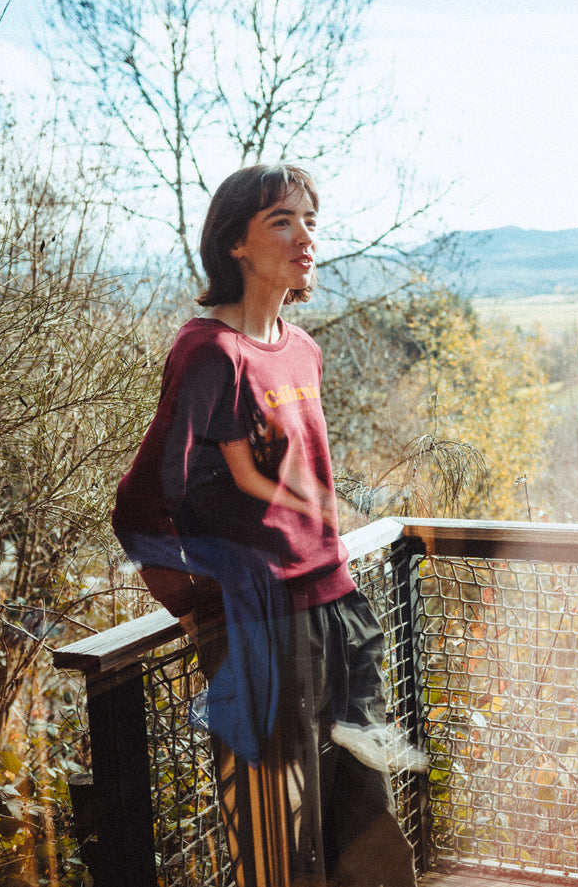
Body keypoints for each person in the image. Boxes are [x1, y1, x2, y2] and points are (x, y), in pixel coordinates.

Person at [112, 164, 417, 887]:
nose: (304, 235)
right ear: (235, 244)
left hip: (338, 614)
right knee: (284, 852)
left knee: (368, 830)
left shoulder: (301, 347)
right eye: (282, 220)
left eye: (310, 219)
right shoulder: (210, 353)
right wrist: (204, 609)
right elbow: (141, 506)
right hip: (263, 638)